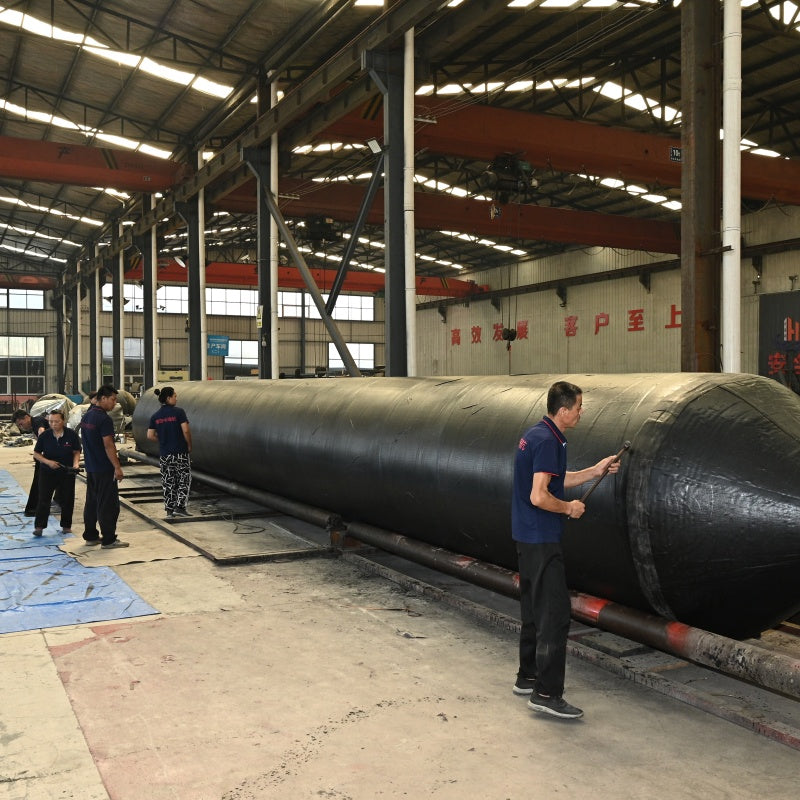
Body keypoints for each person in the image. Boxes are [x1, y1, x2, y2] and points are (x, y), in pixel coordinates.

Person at [511, 380, 620, 720]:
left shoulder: (540, 434)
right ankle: (546, 693)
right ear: (562, 411)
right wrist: (569, 508)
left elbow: (556, 479)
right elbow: (539, 496)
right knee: (555, 615)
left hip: (526, 536)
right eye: (577, 408)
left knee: (533, 610)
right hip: (542, 538)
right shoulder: (547, 441)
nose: (580, 412)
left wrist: (595, 471)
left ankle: (528, 676)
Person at [80, 385, 129, 549]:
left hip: (91, 467)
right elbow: (108, 445)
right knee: (108, 505)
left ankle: (91, 536)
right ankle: (109, 539)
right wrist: (117, 467)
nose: (115, 403)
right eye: (113, 400)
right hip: (104, 468)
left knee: (92, 502)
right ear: (103, 398)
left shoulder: (88, 415)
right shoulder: (104, 419)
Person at [31, 409, 81, 536]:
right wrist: (48, 462)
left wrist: (75, 464)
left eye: (56, 421)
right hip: (48, 472)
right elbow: (36, 454)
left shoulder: (71, 435)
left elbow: (76, 451)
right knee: (44, 499)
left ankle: (66, 526)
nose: (53, 424)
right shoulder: (45, 436)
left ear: (63, 421)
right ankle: (39, 527)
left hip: (66, 471)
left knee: (67, 499)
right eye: (51, 421)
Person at [146, 386, 192, 519]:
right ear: (168, 398)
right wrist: (189, 444)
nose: (176, 399)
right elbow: (186, 430)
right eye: (175, 396)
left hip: (165, 454)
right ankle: (180, 507)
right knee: (184, 479)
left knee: (168, 481)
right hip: (180, 452)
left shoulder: (155, 416)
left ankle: (169, 511)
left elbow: (149, 435)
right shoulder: (179, 412)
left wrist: (163, 440)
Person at [12, 409, 50, 516]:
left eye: (21, 424)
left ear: (26, 417)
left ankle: (33, 509)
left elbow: (41, 432)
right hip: (48, 454)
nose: (21, 427)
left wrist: (39, 452)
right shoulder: (35, 423)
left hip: (49, 455)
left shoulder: (37, 421)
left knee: (39, 481)